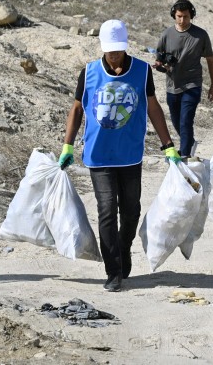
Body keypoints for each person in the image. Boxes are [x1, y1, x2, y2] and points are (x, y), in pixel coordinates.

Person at [58, 19, 179, 292]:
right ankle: (113, 271)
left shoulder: (142, 71)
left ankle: (123, 248)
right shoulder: (88, 72)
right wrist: (67, 145)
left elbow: (152, 107)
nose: (114, 55)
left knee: (132, 210)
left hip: (130, 154)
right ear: (103, 47)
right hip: (98, 155)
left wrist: (168, 144)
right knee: (106, 210)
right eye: (110, 50)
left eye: (118, 50)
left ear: (125, 46)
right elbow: (77, 110)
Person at [155, 0, 213, 159]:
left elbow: (210, 59)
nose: (182, 20)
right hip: (172, 84)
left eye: (186, 17)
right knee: (176, 120)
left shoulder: (201, 35)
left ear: (192, 16)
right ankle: (189, 142)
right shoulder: (167, 34)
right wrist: (161, 65)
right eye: (179, 16)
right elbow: (159, 58)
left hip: (192, 84)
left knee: (185, 120)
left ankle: (185, 155)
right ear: (174, 15)